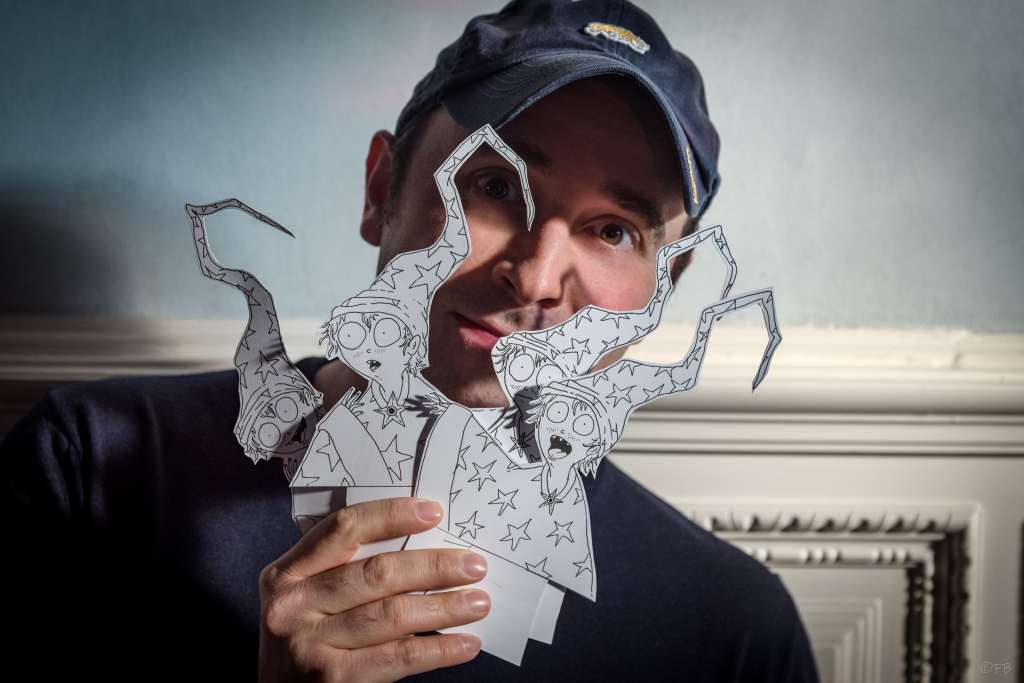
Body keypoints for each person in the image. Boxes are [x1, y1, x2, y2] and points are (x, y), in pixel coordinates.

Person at [1, 1, 819, 680]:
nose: (535, 277)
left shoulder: (734, 631)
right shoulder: (86, 468)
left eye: (613, 231)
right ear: (381, 189)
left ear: (662, 287)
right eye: (494, 185)